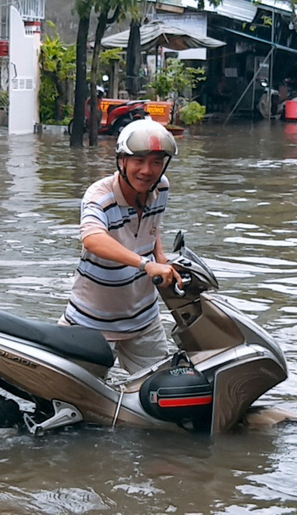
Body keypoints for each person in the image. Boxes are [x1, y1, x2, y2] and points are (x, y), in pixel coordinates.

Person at [59, 118, 183, 374]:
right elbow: (93, 239)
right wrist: (145, 264)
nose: (147, 171)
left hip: (143, 319)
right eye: (139, 161)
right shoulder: (99, 197)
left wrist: (160, 257)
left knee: (162, 389)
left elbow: (152, 226)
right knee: (75, 398)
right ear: (122, 161)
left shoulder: (161, 187)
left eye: (156, 162)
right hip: (91, 322)